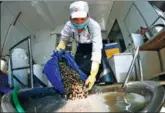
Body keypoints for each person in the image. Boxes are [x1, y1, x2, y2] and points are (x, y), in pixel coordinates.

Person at [56, 1, 103, 91]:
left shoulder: (94, 26)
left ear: (87, 16)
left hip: (93, 47)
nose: (79, 22)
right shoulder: (68, 26)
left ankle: (93, 83)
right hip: (81, 47)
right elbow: (63, 41)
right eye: (75, 19)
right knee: (77, 69)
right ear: (71, 18)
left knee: (96, 71)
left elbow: (96, 52)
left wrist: (93, 75)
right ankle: (78, 89)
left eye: (82, 18)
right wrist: (59, 49)